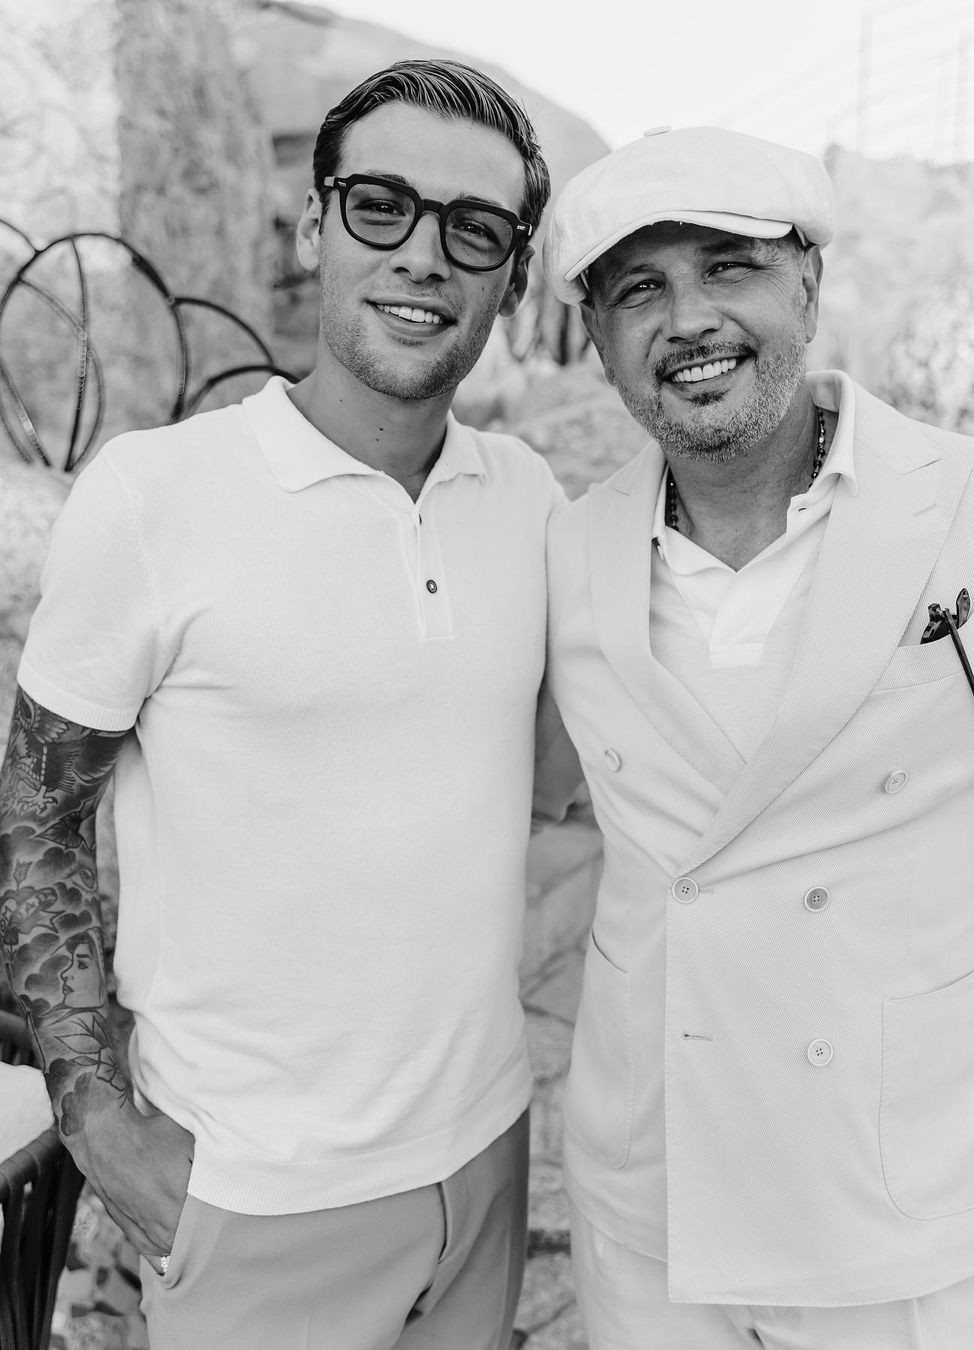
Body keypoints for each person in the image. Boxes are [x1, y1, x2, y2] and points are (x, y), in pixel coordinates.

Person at [0, 58, 565, 1350]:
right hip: (252, 1198)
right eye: (381, 205)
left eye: (474, 228)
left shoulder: (527, 498)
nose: (423, 253)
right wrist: (95, 1116)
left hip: (485, 1156)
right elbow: (37, 815)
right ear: (313, 225)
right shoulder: (153, 494)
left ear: (513, 276)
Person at [540, 124, 974, 1349]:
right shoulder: (568, 550)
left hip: (896, 1206)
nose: (689, 319)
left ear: (809, 286)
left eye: (728, 267)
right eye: (640, 290)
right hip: (650, 1202)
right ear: (599, 340)